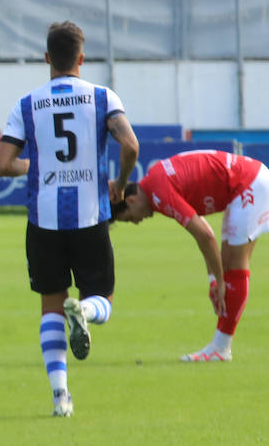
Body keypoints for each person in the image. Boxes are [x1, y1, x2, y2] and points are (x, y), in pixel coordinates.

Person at [0, 21, 139, 417]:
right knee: (101, 299)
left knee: (50, 306)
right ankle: (86, 312)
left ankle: (61, 398)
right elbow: (130, 145)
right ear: (81, 58)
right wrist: (121, 185)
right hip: (92, 217)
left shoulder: (27, 104)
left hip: (44, 220)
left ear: (46, 59)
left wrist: (36, 167)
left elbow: (1, 165)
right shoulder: (102, 97)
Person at [113, 149, 269, 361]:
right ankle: (220, 347)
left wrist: (221, 281)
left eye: (130, 218)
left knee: (234, 266)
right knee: (228, 266)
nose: (137, 222)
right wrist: (214, 279)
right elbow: (205, 234)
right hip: (248, 181)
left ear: (130, 201)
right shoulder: (155, 184)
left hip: (248, 185)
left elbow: (205, 236)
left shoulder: (159, 194)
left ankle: (221, 348)